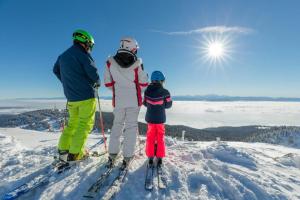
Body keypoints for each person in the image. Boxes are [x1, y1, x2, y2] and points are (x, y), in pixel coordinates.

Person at [53, 29, 100, 162]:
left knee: (72, 124)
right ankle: (75, 154)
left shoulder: (62, 56)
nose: (90, 48)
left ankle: (63, 150)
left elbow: (55, 70)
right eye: (90, 45)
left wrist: (67, 82)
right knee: (84, 125)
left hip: (71, 98)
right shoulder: (83, 54)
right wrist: (97, 82)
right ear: (85, 42)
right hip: (86, 96)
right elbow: (93, 74)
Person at [104, 37, 148, 168]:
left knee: (116, 126)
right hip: (134, 101)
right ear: (132, 48)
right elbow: (144, 84)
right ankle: (127, 156)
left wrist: (118, 90)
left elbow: (107, 83)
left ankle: (112, 155)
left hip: (118, 101)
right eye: (135, 49)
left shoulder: (109, 63)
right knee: (131, 128)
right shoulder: (138, 63)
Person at [143, 71, 172, 168]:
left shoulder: (147, 91)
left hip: (150, 119)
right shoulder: (165, 92)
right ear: (161, 80)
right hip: (160, 120)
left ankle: (150, 156)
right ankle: (159, 157)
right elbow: (169, 105)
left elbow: (145, 103)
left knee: (150, 137)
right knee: (160, 137)